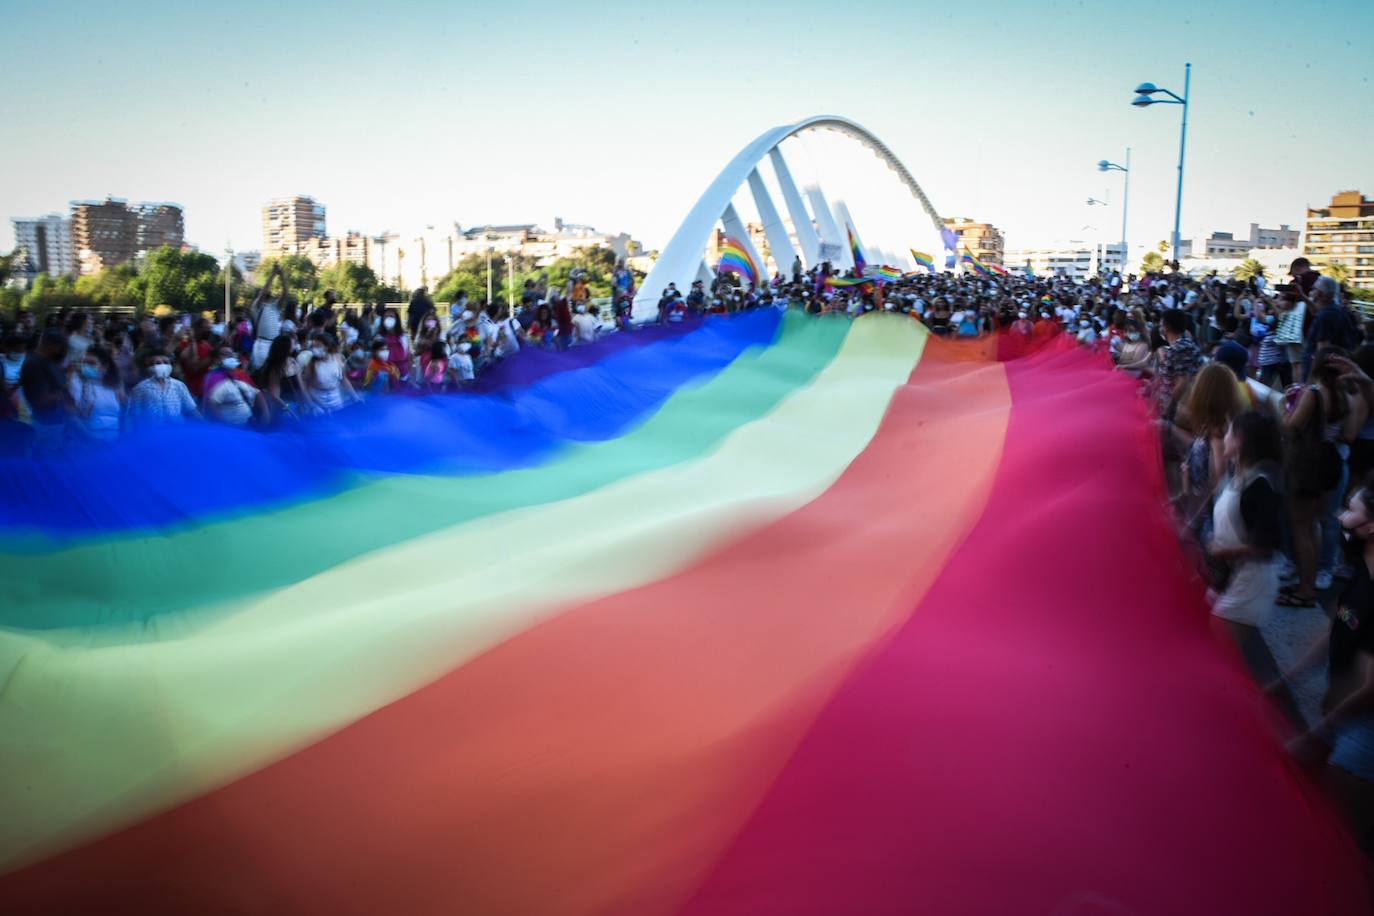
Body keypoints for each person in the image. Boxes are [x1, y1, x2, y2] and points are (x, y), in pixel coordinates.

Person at [1281, 348, 1359, 608]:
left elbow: (1291, 426)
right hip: (1327, 464)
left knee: (1301, 529)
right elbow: (1346, 435)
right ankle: (1309, 580)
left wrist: (1285, 404)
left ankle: (1305, 590)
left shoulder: (1312, 393)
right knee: (1313, 526)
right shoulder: (1346, 395)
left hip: (1305, 466)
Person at [1208, 411, 1284, 626]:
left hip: (1251, 581)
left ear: (1240, 441)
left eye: (1228, 432)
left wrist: (1223, 551)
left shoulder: (1260, 486)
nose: (1224, 438)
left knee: (1220, 643)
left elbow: (1266, 546)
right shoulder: (1240, 475)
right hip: (1233, 576)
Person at [1177, 363, 1244, 543]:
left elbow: (1217, 488)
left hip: (1211, 527)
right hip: (1204, 515)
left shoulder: (1219, 434)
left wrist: (1190, 523)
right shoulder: (1214, 426)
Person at [20, 328, 69, 452]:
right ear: (54, 346)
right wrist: (64, 396)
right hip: (46, 423)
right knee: (47, 459)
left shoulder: (46, 360)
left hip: (54, 420)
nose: (61, 352)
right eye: (61, 348)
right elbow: (40, 399)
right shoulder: (33, 364)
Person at [127, 350, 199, 428]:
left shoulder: (179, 385)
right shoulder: (140, 389)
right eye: (158, 363)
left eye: (166, 362)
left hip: (176, 431)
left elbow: (191, 409)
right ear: (150, 367)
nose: (163, 365)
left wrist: (205, 425)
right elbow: (134, 416)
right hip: (152, 433)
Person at [67, 345, 123, 442]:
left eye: (92, 363)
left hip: (113, 443)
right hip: (87, 443)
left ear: (104, 366)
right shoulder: (78, 384)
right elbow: (71, 415)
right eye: (84, 363)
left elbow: (122, 417)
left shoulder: (114, 387)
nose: (86, 366)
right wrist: (90, 438)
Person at [203, 346, 267, 426]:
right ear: (217, 360)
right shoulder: (212, 377)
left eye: (232, 354)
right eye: (226, 354)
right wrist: (224, 425)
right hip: (227, 429)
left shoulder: (241, 374)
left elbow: (257, 393)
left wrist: (265, 415)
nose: (230, 357)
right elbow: (211, 404)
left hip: (249, 424)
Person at [302, 334, 356, 414]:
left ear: (327, 347)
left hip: (336, 398)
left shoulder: (338, 358)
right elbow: (307, 387)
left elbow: (344, 380)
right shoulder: (312, 363)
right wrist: (318, 406)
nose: (314, 349)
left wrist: (355, 396)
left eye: (318, 346)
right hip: (318, 400)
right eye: (314, 346)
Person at [249, 263, 289, 371]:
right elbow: (263, 292)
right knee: (261, 371)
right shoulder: (256, 306)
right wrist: (272, 274)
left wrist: (282, 276)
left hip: (274, 343)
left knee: (274, 372)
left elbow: (285, 294)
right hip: (262, 344)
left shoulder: (275, 306)